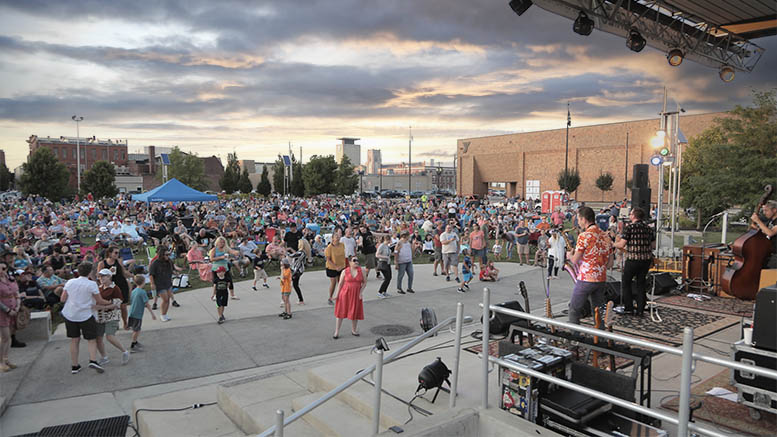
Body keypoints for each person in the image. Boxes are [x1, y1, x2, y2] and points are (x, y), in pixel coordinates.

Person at [61, 262, 111, 374]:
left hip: (70, 314)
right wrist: (110, 303)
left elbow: (63, 299)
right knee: (91, 339)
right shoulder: (91, 284)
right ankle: (93, 360)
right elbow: (99, 301)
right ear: (90, 272)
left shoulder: (70, 282)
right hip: (85, 315)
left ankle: (75, 366)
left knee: (74, 340)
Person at [566, 207, 613, 324]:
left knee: (574, 309)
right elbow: (610, 263)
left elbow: (575, 260)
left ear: (583, 219)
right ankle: (599, 338)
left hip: (586, 279)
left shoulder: (584, 236)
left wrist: (569, 255)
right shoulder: (605, 236)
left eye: (578, 219)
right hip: (601, 278)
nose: (578, 222)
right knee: (597, 313)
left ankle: (575, 337)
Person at [614, 207, 655, 316]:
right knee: (641, 284)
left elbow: (622, 244)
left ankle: (629, 308)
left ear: (633, 216)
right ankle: (641, 309)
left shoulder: (630, 228)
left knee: (626, 282)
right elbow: (653, 245)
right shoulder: (649, 228)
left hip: (633, 259)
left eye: (630, 214)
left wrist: (613, 244)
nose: (629, 215)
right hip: (646, 260)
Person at [94, 269, 130, 366]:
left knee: (109, 336)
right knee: (98, 337)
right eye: (100, 276)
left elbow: (117, 304)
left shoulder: (115, 288)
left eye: (103, 276)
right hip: (100, 316)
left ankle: (124, 351)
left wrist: (103, 307)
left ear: (109, 277)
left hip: (112, 316)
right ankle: (104, 357)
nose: (101, 278)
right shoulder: (99, 288)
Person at [97, 246, 132, 330]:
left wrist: (133, 276)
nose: (117, 254)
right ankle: (114, 323)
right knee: (112, 306)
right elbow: (99, 276)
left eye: (118, 253)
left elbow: (123, 272)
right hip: (110, 287)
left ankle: (125, 323)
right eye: (115, 253)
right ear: (109, 253)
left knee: (123, 306)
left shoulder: (118, 261)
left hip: (121, 284)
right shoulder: (102, 263)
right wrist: (108, 273)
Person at [332, 257, 365, 338]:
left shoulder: (362, 271)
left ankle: (354, 330)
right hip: (345, 293)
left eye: (357, 260)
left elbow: (364, 283)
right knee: (341, 312)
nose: (356, 262)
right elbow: (340, 284)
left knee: (355, 312)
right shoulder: (345, 271)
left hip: (356, 294)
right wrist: (337, 294)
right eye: (354, 260)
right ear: (349, 262)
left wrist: (360, 293)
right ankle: (336, 332)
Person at [149, 246, 183, 322]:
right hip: (159, 283)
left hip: (167, 282)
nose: (168, 256)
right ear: (162, 255)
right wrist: (152, 284)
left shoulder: (169, 261)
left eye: (168, 254)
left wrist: (175, 273)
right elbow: (151, 274)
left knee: (167, 300)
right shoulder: (155, 263)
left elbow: (171, 269)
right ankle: (162, 314)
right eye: (166, 255)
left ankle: (165, 314)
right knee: (165, 299)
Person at [0, 261, 20, 372]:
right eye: (1, 269)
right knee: (4, 337)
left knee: (9, 337)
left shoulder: (10, 279)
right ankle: (1, 362)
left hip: (13, 308)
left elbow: (16, 293)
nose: (3, 271)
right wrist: (7, 310)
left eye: (4, 268)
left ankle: (6, 358)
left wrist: (17, 306)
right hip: (3, 312)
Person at [128, 274, 156, 351]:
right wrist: (152, 314)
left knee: (135, 329)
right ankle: (133, 344)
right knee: (137, 330)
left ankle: (135, 341)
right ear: (143, 282)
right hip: (137, 314)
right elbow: (147, 304)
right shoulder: (142, 292)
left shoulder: (134, 291)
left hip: (131, 312)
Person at [751, 199, 777, 269]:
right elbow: (765, 232)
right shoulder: (771, 221)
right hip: (769, 253)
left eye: (766, 210)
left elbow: (770, 233)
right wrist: (756, 228)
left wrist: (758, 220)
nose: (764, 213)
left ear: (774, 210)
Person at [325, 230, 346, 305]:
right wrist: (336, 267)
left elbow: (344, 256)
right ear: (332, 238)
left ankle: (340, 297)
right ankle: (330, 297)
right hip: (332, 267)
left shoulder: (342, 245)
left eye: (338, 236)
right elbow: (328, 259)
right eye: (336, 236)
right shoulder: (329, 247)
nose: (338, 237)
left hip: (341, 266)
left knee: (341, 282)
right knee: (333, 282)